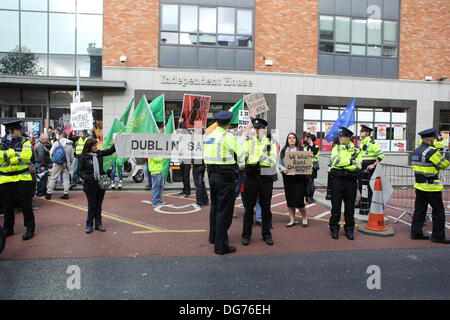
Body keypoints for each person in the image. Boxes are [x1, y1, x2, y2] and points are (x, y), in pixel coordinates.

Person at [204, 110, 245, 255]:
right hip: (225, 177)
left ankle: (213, 237)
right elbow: (241, 155)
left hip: (212, 175)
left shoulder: (209, 136)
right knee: (225, 212)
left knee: (215, 208)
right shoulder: (228, 136)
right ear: (228, 123)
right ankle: (221, 246)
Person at [242, 118, 277, 246]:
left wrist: (254, 159)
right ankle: (246, 235)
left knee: (266, 208)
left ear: (264, 129)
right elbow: (243, 158)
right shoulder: (248, 142)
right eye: (255, 128)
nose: (256, 130)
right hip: (251, 177)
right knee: (248, 209)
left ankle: (266, 234)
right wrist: (261, 158)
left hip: (265, 178)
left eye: (259, 128)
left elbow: (272, 161)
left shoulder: (271, 143)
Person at [411, 128, 450, 244]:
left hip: (420, 186)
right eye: (433, 138)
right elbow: (444, 164)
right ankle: (438, 237)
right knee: (438, 212)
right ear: (429, 139)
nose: (434, 139)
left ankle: (416, 233)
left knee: (419, 211)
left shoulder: (416, 151)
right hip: (432, 187)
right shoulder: (430, 151)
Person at [0, 120, 36, 240]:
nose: (21, 131)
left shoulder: (25, 140)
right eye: (18, 129)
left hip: (22, 177)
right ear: (11, 130)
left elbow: (26, 156)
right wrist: (14, 153)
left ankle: (30, 228)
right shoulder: (0, 141)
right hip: (6, 178)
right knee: (7, 205)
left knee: (26, 204)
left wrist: (9, 158)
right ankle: (8, 228)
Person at [77, 138, 116, 233]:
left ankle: (98, 224)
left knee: (98, 205)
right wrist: (87, 177)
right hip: (90, 185)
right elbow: (79, 171)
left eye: (96, 145)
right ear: (89, 146)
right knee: (92, 205)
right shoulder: (83, 157)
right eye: (94, 145)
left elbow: (111, 151)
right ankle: (89, 225)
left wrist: (116, 139)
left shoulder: (99, 153)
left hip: (101, 183)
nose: (96, 147)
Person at [329, 127, 362, 240]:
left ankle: (349, 230)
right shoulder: (336, 148)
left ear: (349, 138)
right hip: (337, 180)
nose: (341, 138)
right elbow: (335, 161)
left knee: (350, 207)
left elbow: (358, 165)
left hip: (350, 181)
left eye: (343, 136)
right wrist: (350, 162)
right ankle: (334, 228)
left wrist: (344, 165)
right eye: (340, 136)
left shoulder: (357, 150)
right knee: (336, 207)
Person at [278, 132, 308, 227]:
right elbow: (279, 164)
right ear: (287, 140)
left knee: (300, 201)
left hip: (299, 179)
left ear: (296, 139)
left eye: (293, 137)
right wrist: (283, 169)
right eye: (289, 138)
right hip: (288, 179)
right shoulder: (283, 151)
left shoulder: (302, 149)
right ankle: (292, 220)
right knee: (290, 201)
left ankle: (304, 217)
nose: (291, 139)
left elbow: (308, 162)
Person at [356, 125, 384, 210]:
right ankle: (363, 201)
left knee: (368, 186)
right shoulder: (363, 142)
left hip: (368, 167)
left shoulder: (371, 142)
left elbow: (381, 154)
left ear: (367, 133)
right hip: (362, 167)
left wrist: (374, 165)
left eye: (362, 131)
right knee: (361, 186)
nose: (360, 132)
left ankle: (369, 204)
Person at [45, 132, 74, 200]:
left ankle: (49, 193)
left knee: (53, 177)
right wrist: (69, 163)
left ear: (61, 136)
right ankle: (66, 193)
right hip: (66, 164)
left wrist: (54, 159)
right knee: (66, 179)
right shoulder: (70, 145)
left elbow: (51, 152)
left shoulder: (56, 143)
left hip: (57, 163)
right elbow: (72, 157)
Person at [149, 125, 167, 207]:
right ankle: (155, 202)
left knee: (160, 187)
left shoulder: (156, 145)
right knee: (156, 187)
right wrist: (163, 157)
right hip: (155, 170)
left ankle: (158, 200)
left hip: (159, 170)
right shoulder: (152, 145)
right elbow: (156, 159)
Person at [177, 118, 192, 197]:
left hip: (187, 158)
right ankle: (184, 189)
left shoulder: (187, 134)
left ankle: (187, 191)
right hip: (181, 158)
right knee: (183, 175)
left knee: (186, 175)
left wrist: (181, 122)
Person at [304, 134, 320, 204]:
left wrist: (310, 144)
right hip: (305, 166)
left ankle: (310, 197)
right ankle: (306, 195)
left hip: (313, 167)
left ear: (312, 139)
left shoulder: (316, 147)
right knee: (306, 181)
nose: (307, 139)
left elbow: (313, 153)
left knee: (310, 182)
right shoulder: (305, 146)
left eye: (309, 138)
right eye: (308, 138)